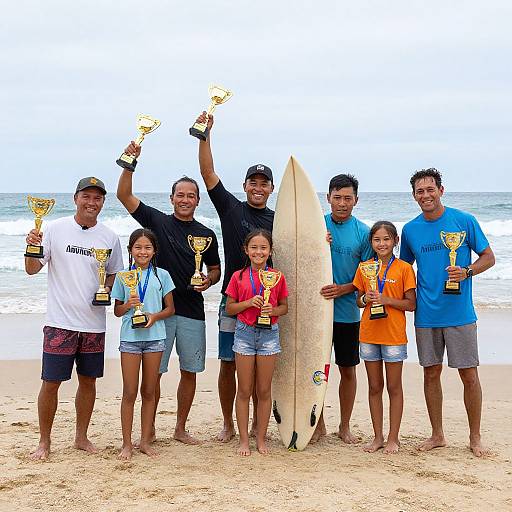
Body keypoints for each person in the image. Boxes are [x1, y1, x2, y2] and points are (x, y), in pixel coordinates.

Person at [117, 144, 221, 445]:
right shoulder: (157, 222)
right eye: (180, 194)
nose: (185, 199)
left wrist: (209, 281)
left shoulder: (207, 234)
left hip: (192, 312)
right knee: (156, 375)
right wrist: (130, 163)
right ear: (171, 197)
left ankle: (180, 428)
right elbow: (124, 196)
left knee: (189, 372)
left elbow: (215, 269)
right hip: (158, 315)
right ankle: (148, 430)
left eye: (191, 195)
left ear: (198, 201)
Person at [25, 177, 123, 460]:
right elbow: (32, 269)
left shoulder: (109, 237)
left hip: (93, 323)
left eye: (97, 198)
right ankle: (44, 442)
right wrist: (31, 247)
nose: (92, 203)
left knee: (89, 382)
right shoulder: (55, 230)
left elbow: (114, 273)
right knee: (51, 383)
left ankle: (81, 436)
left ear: (103, 202)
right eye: (87, 197)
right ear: (75, 198)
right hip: (59, 323)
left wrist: (105, 290)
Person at [400, 168, 495, 457]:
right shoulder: (410, 230)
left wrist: (466, 271)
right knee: (431, 374)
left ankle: (475, 437)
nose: (425, 195)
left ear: (441, 190)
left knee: (469, 375)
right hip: (426, 316)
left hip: (460, 314)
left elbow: (489, 257)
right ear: (414, 196)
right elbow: (403, 271)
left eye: (430, 189)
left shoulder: (464, 221)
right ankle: (437, 434)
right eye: (420, 191)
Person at [195, 112, 275, 442]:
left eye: (264, 183)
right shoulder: (230, 208)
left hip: (267, 303)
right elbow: (208, 173)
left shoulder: (278, 218)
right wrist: (205, 136)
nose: (258, 187)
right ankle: (229, 423)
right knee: (228, 362)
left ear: (271, 188)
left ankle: (258, 426)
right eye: (252, 183)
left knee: (262, 366)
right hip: (233, 299)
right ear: (245, 187)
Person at [312, 173, 374, 444]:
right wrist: (316, 241)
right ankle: (318, 424)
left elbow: (367, 277)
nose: (342, 203)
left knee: (347, 369)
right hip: (317, 313)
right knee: (317, 369)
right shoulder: (317, 226)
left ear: (356, 200)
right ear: (327, 198)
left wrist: (343, 289)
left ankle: (345, 426)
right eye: (337, 198)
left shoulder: (363, 233)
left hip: (348, 313)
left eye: (347, 198)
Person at [353, 221, 416, 453]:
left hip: (393, 336)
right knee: (374, 386)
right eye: (377, 240)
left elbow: (411, 304)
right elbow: (358, 300)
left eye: (386, 239)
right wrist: (366, 300)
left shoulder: (404, 269)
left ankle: (393, 438)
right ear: (371, 242)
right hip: (369, 334)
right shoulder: (364, 267)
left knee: (394, 386)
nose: (382, 244)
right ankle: (377, 437)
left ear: (395, 241)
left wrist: (386, 300)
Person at [112, 229, 175, 460]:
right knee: (129, 391)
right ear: (130, 250)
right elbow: (117, 311)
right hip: (130, 340)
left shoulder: (162, 276)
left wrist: (153, 317)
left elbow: (170, 309)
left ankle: (145, 442)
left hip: (155, 339)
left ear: (154, 251)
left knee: (149, 391)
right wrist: (129, 305)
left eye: (147, 247)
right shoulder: (123, 276)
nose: (143, 251)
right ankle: (127, 444)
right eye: (138, 247)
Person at [225, 230, 288, 455]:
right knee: (244, 389)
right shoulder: (238, 277)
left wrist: (273, 310)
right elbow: (229, 308)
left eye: (263, 248)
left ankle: (260, 439)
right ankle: (243, 440)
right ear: (246, 250)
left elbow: (284, 307)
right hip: (244, 333)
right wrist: (249, 303)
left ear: (270, 251)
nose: (258, 252)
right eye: (254, 247)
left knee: (263, 390)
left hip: (269, 334)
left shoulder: (277, 276)